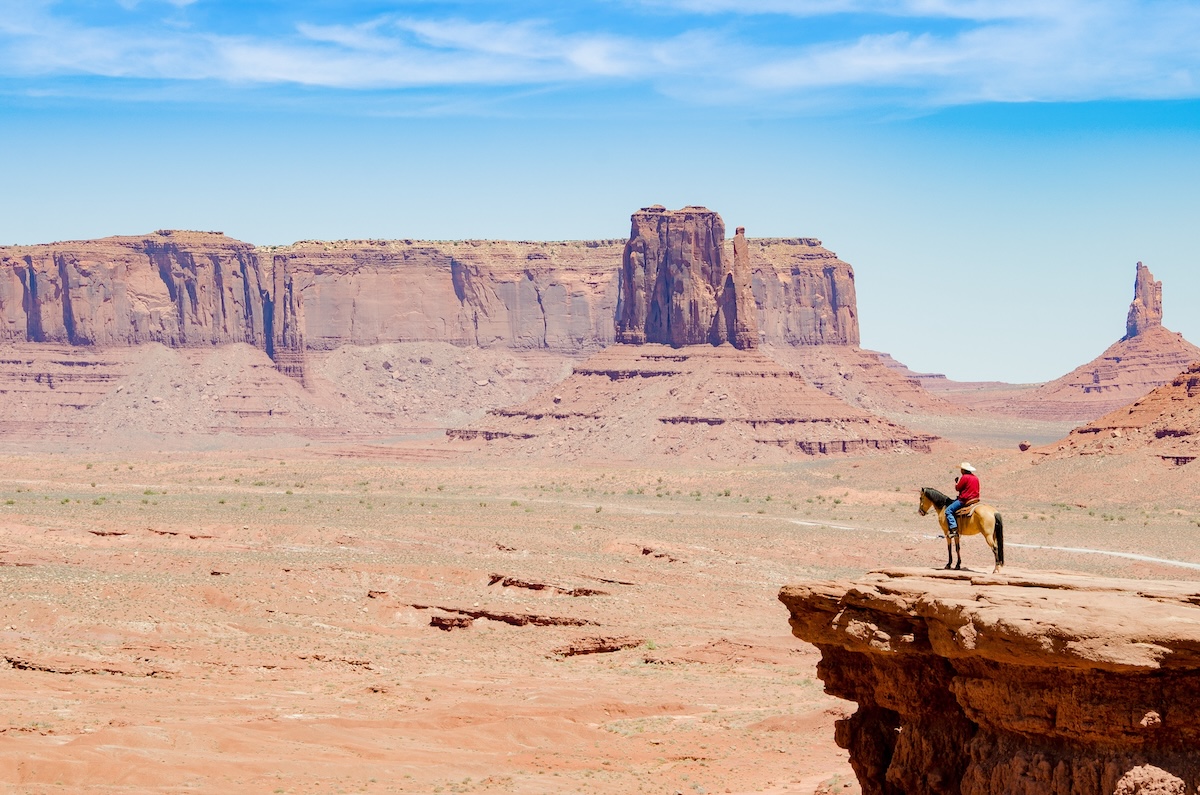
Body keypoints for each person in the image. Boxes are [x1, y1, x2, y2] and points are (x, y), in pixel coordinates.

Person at [946, 462, 979, 538]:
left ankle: (954, 529)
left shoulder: (965, 477)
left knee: (948, 511)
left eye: (961, 469)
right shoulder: (975, 477)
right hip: (975, 499)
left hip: (965, 499)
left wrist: (956, 483)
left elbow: (958, 488)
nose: (961, 470)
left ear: (964, 470)